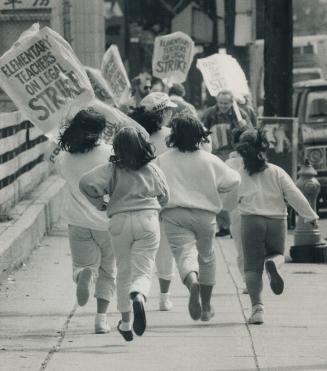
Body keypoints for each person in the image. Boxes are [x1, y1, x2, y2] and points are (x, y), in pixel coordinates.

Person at [79, 126, 169, 341]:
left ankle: (126, 323)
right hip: (147, 220)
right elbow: (165, 196)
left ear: (118, 148)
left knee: (123, 271)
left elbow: (85, 183)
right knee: (143, 271)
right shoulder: (153, 169)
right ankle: (139, 294)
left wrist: (99, 202)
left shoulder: (111, 169)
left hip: (119, 221)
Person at [156, 114, 241, 322]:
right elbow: (234, 179)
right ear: (199, 135)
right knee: (207, 258)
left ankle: (192, 281)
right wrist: (217, 190)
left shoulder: (163, 159)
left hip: (174, 214)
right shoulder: (210, 160)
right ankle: (206, 306)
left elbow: (154, 184)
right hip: (205, 215)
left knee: (184, 255)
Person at [234, 128, 319, 325]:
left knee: (252, 267)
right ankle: (274, 265)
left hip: (251, 221)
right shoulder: (276, 172)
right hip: (276, 221)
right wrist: (310, 216)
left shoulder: (240, 174)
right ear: (264, 148)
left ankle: (257, 309)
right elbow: (294, 195)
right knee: (277, 254)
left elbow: (229, 200)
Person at [48, 108, 116, 334]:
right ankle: (101, 319)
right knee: (108, 271)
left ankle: (84, 273)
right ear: (100, 132)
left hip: (77, 222)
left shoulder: (65, 158)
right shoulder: (111, 153)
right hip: (108, 222)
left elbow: (56, 167)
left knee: (82, 264)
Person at [129, 92, 177, 312]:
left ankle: (138, 291)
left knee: (139, 252)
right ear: (162, 113)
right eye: (168, 110)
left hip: (135, 200)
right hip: (166, 200)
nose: (171, 114)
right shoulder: (172, 136)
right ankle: (165, 297)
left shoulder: (131, 135)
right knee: (165, 250)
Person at [202, 89, 252, 238]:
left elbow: (249, 132)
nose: (223, 106)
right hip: (216, 154)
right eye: (221, 103)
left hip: (234, 154)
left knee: (237, 187)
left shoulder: (240, 113)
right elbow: (202, 130)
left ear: (232, 102)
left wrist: (243, 125)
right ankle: (224, 225)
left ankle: (238, 223)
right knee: (219, 189)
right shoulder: (210, 114)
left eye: (226, 103)